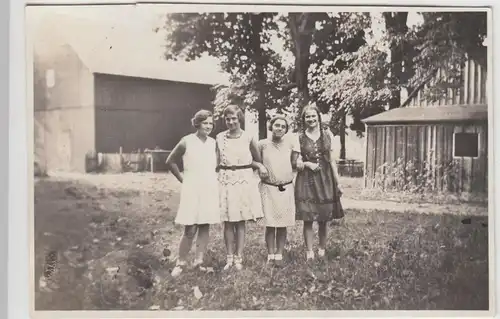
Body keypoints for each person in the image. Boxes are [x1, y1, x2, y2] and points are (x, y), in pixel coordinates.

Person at [165, 109, 220, 277]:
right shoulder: (186, 141)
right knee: (190, 227)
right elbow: (170, 161)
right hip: (192, 188)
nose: (208, 126)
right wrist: (183, 179)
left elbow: (216, 164)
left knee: (205, 225)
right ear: (197, 123)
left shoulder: (213, 143)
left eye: (211, 123)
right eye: (205, 123)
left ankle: (199, 261)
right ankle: (180, 262)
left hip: (209, 187)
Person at [216, 105, 267, 271]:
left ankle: (239, 257)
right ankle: (229, 257)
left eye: (234, 119)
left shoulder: (248, 137)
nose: (231, 122)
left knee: (240, 220)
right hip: (225, 179)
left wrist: (258, 166)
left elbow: (256, 159)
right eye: (228, 119)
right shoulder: (219, 137)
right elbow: (216, 162)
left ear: (240, 119)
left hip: (243, 180)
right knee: (228, 221)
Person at [294, 104, 344, 261]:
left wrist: (338, 182)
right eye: (307, 116)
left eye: (313, 116)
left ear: (318, 117)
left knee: (324, 216)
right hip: (306, 179)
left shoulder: (327, 135)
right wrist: (307, 164)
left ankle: (322, 249)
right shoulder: (299, 137)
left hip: (325, 178)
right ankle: (309, 252)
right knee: (308, 217)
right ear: (304, 119)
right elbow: (296, 161)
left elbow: (332, 160)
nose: (311, 119)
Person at [258, 115, 300, 266]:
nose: (279, 129)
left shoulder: (290, 143)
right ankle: (270, 255)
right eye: (277, 125)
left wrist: (300, 162)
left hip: (286, 187)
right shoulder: (262, 144)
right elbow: (254, 160)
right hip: (268, 188)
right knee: (270, 223)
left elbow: (295, 163)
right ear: (271, 126)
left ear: (286, 130)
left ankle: (279, 254)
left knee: (282, 224)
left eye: (283, 126)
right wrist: (260, 166)